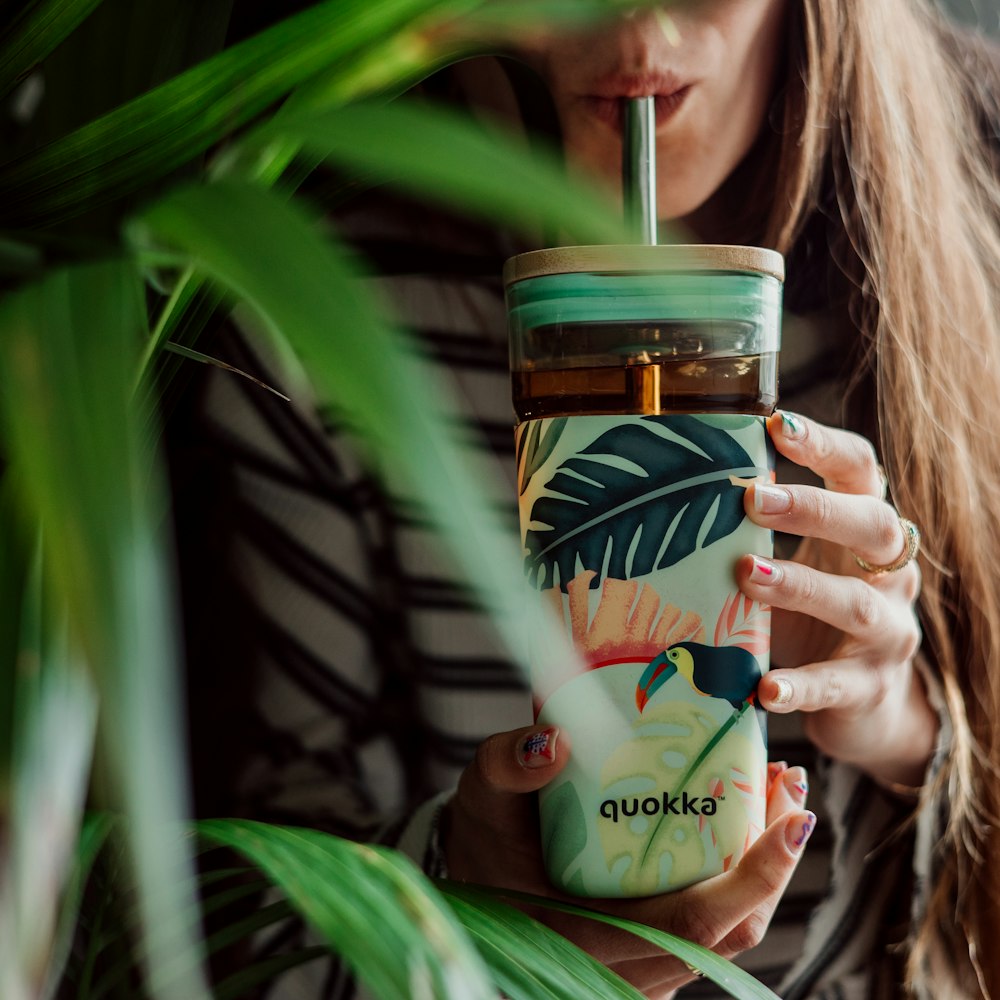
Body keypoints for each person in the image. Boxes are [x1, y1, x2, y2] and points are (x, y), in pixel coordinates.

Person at [170, 0, 1000, 997]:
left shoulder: (975, 202)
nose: (639, 28)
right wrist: (454, 895)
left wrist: (901, 719)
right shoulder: (314, 317)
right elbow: (253, 909)